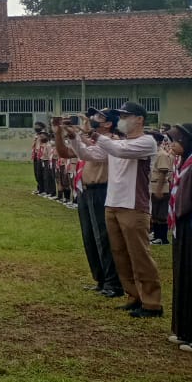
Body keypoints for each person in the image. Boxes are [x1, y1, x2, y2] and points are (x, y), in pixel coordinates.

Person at [89, 102, 163, 318]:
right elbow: (89, 154)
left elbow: (119, 151)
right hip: (113, 203)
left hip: (133, 206)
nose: (121, 119)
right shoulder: (118, 144)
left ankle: (152, 303)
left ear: (139, 119)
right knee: (120, 254)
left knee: (139, 255)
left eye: (125, 115)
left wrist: (93, 134)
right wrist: (73, 136)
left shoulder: (146, 142)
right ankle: (134, 296)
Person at [56, 109, 123, 298]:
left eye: (98, 117)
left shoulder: (113, 142)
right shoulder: (92, 140)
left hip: (102, 190)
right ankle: (101, 279)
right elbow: (65, 152)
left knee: (104, 237)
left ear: (109, 123)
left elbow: (87, 154)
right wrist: (60, 133)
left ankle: (113, 282)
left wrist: (79, 134)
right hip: (86, 191)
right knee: (90, 237)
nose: (92, 119)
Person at [166, 124, 192, 351]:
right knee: (183, 275)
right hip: (183, 224)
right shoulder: (186, 163)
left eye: (177, 140)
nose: (172, 143)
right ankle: (183, 329)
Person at [149, 131, 173, 245]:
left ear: (157, 141)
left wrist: (159, 189)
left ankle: (162, 238)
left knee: (160, 214)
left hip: (161, 187)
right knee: (154, 213)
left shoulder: (162, 154)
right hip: (153, 186)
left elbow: (163, 172)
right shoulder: (154, 153)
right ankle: (156, 235)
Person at [31, 122, 47, 195]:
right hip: (36, 156)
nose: (36, 127)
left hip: (41, 156)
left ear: (41, 127)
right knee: (37, 174)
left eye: (37, 126)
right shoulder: (37, 135)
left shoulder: (43, 135)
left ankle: (43, 189)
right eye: (35, 126)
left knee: (41, 174)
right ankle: (39, 188)